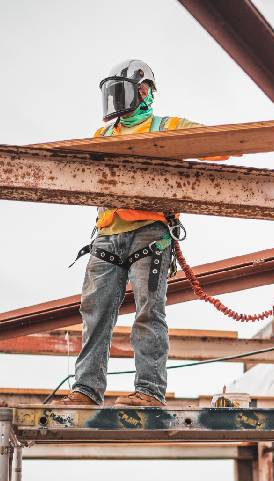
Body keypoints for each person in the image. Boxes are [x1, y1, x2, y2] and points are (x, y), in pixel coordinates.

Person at [57, 59, 250, 407]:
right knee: (96, 312)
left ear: (144, 90)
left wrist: (257, 141)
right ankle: (86, 391)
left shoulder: (167, 127)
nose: (117, 99)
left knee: (149, 311)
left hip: (150, 233)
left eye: (124, 90)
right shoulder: (103, 135)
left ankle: (148, 391)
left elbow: (215, 143)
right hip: (106, 235)